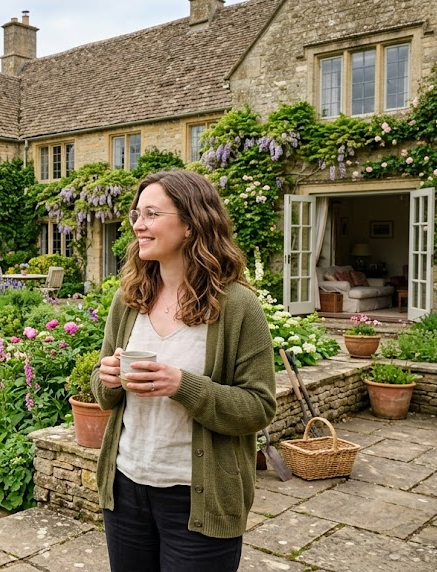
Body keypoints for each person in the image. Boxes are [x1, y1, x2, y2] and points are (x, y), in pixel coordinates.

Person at [91, 169, 276, 571]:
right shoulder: (129, 300)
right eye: (136, 214)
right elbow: (104, 392)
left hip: (198, 497)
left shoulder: (238, 307)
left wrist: (183, 386)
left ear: (191, 224)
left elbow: (259, 407)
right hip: (125, 489)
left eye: (152, 214)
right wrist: (105, 378)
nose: (138, 224)